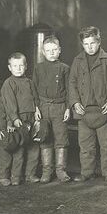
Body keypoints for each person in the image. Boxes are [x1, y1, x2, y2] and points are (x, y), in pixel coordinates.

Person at [69, 26, 107, 185]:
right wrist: (75, 102)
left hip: (103, 110)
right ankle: (87, 172)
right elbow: (72, 83)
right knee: (86, 146)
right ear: (82, 44)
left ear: (99, 42)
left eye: (92, 43)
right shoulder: (78, 60)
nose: (90, 47)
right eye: (86, 44)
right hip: (84, 112)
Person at [32, 36, 72, 183]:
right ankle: (47, 171)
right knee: (45, 138)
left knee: (61, 139)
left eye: (55, 50)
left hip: (60, 107)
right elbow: (34, 89)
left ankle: (61, 170)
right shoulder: (38, 68)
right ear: (43, 52)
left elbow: (69, 90)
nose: (52, 53)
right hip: (43, 108)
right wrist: (36, 107)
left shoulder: (65, 69)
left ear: (59, 50)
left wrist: (68, 108)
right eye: (48, 50)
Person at [1, 52, 37, 185]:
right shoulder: (8, 83)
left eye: (21, 65)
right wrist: (14, 119)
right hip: (19, 119)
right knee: (19, 150)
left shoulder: (29, 82)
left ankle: (30, 174)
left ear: (26, 66)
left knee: (34, 148)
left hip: (31, 117)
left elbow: (35, 98)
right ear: (10, 68)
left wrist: (37, 109)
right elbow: (9, 104)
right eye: (15, 66)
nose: (18, 68)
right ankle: (15, 176)